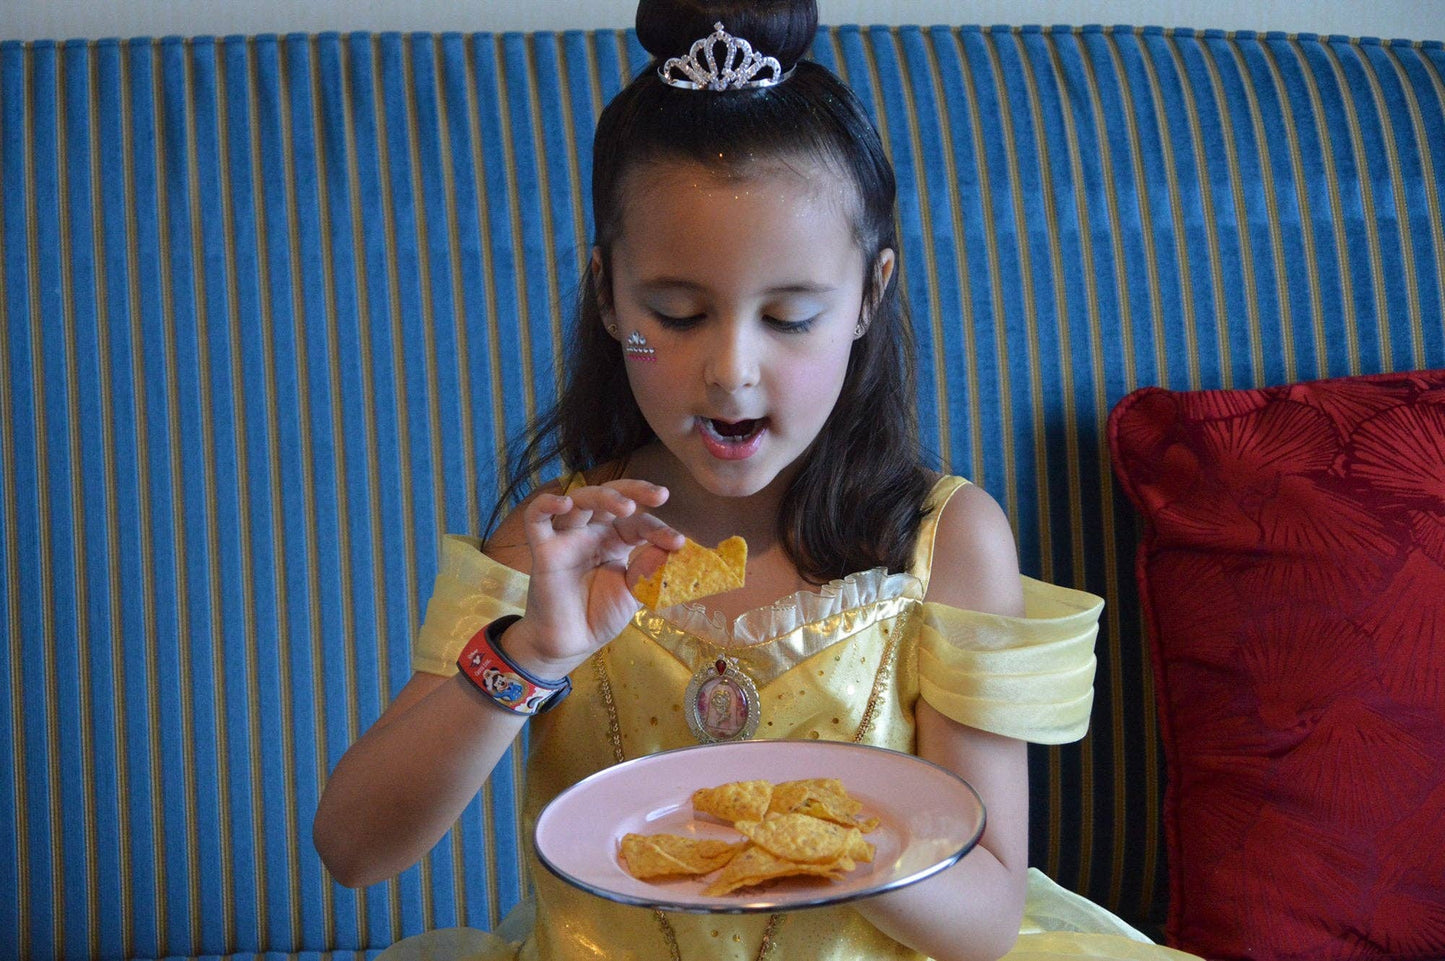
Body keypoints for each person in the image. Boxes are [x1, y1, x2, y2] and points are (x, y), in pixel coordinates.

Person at [313, 2, 1203, 959]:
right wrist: (528, 652)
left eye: (788, 318)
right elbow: (355, 847)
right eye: (678, 311)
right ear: (609, 296)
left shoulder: (943, 544)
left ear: (867, 296)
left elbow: (984, 924)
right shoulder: (557, 545)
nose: (731, 369)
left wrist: (809, 835)